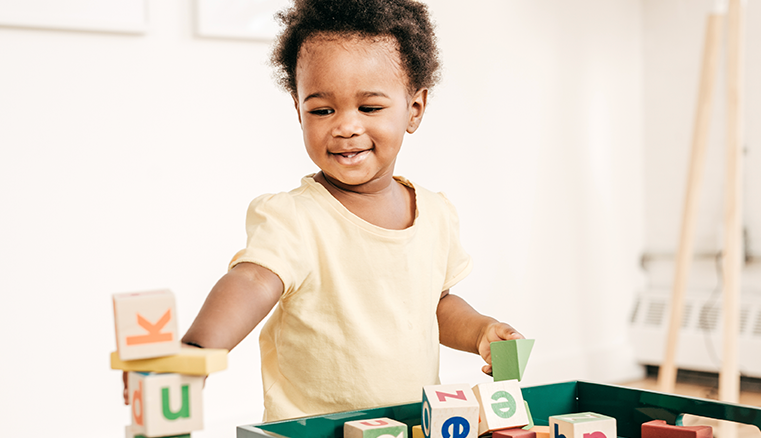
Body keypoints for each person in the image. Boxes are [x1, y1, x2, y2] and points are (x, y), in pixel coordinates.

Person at [128, 0, 523, 422]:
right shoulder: (295, 219)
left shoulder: (436, 214)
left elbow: (435, 305)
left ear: (415, 109)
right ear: (299, 111)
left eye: (369, 108)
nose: (345, 126)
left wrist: (480, 331)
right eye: (322, 110)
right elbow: (252, 282)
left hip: (409, 425)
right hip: (314, 429)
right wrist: (197, 351)